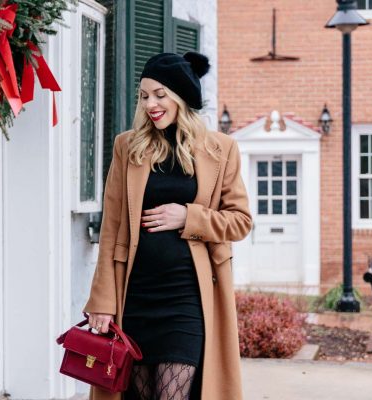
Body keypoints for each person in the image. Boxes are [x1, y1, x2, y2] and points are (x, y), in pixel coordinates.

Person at [83, 52, 252, 400]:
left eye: (160, 94)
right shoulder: (127, 147)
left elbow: (240, 221)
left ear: (181, 97)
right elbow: (111, 226)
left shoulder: (221, 149)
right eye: (144, 95)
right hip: (136, 296)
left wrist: (188, 216)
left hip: (187, 298)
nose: (150, 104)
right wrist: (102, 299)